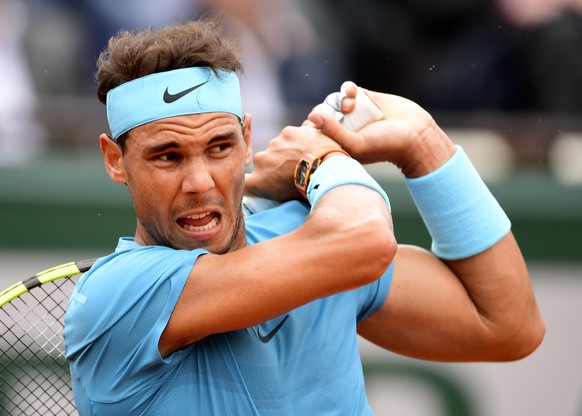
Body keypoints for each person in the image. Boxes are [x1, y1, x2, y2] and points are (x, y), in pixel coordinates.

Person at [63, 19, 545, 415]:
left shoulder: (308, 235)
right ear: (115, 160)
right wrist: (321, 161)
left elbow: (508, 327)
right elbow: (365, 242)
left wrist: (423, 142)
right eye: (167, 157)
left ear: (248, 140)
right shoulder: (117, 296)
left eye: (220, 148)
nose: (200, 182)